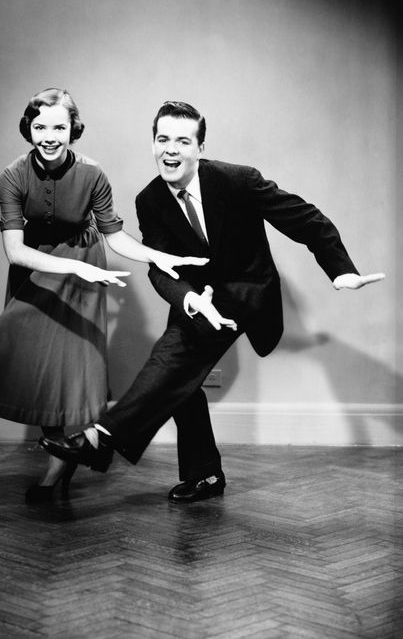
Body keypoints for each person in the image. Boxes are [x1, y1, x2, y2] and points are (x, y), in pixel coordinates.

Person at [40, 100, 386, 503]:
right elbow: (159, 266)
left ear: (200, 148)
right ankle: (204, 475)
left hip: (247, 290)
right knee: (179, 378)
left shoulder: (237, 180)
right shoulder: (149, 201)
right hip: (196, 297)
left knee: (175, 355)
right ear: (153, 143)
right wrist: (188, 298)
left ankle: (102, 436)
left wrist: (339, 268)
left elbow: (303, 217)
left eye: (182, 141)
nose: (170, 149)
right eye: (162, 139)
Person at [0, 90, 207, 503]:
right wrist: (75, 267)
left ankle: (30, 460)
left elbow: (113, 235)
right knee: (18, 350)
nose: (49, 136)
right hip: (39, 267)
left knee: (63, 374)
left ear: (72, 130)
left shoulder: (93, 173)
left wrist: (156, 256)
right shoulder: (13, 175)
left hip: (82, 263)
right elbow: (15, 250)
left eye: (59, 127)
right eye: (40, 127)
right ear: (29, 128)